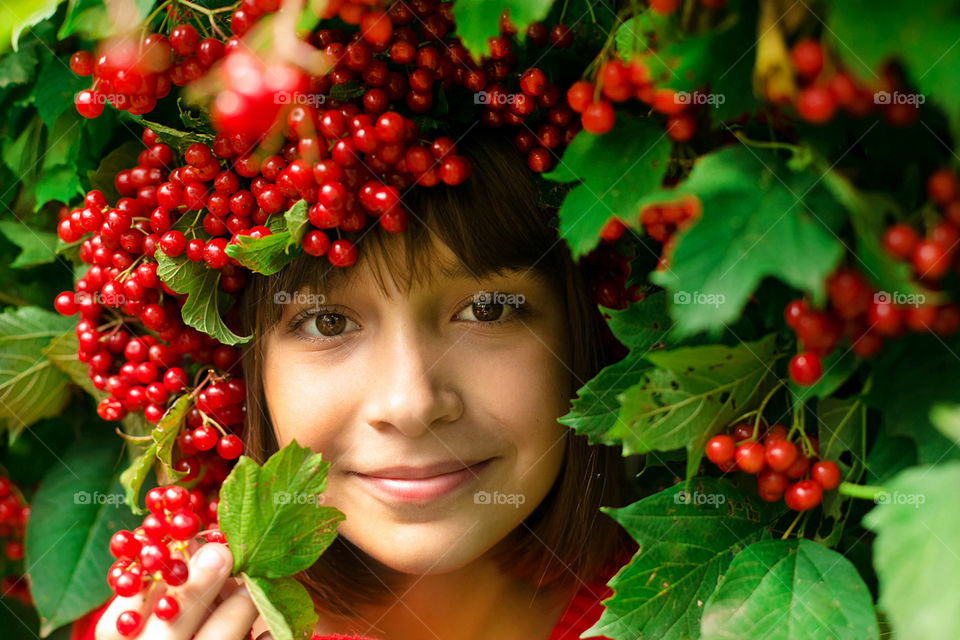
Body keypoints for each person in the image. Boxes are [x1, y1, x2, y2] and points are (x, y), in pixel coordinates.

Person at [95, 129, 638, 640]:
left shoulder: (710, 609)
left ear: (584, 329)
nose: (410, 404)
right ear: (243, 369)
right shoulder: (145, 622)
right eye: (327, 322)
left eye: (487, 309)